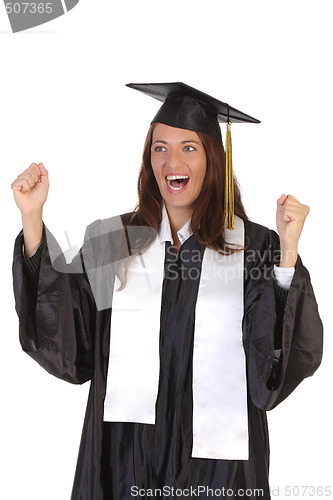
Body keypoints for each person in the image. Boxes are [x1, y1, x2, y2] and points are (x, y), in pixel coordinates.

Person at [11, 83, 323, 500]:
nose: (172, 161)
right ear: (148, 159)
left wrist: (287, 253)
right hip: (124, 461)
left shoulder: (254, 246)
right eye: (160, 148)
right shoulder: (112, 240)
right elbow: (68, 346)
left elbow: (272, 374)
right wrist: (33, 219)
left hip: (218, 472)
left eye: (189, 148)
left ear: (213, 158)